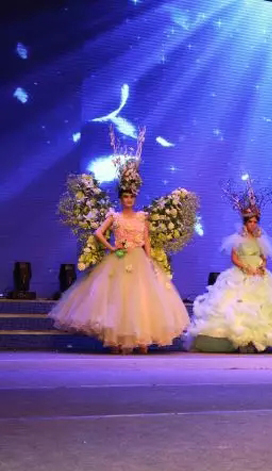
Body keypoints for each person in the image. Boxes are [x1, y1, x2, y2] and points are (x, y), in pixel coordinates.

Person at [49, 127, 190, 354]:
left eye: (131, 196)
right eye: (125, 196)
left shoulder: (142, 217)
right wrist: (112, 247)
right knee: (117, 299)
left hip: (139, 260)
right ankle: (115, 340)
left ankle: (142, 340)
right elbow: (98, 233)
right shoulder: (114, 216)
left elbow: (146, 240)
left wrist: (151, 261)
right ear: (121, 197)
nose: (128, 200)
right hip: (119, 258)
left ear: (135, 197)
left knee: (141, 299)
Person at [185, 179, 272, 354]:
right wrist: (245, 267)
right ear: (245, 222)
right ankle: (240, 340)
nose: (253, 224)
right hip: (241, 273)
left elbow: (264, 256)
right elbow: (234, 257)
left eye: (255, 221)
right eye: (250, 222)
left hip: (259, 274)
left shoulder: (260, 239)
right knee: (237, 306)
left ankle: (258, 340)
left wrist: (261, 267)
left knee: (264, 306)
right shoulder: (237, 239)